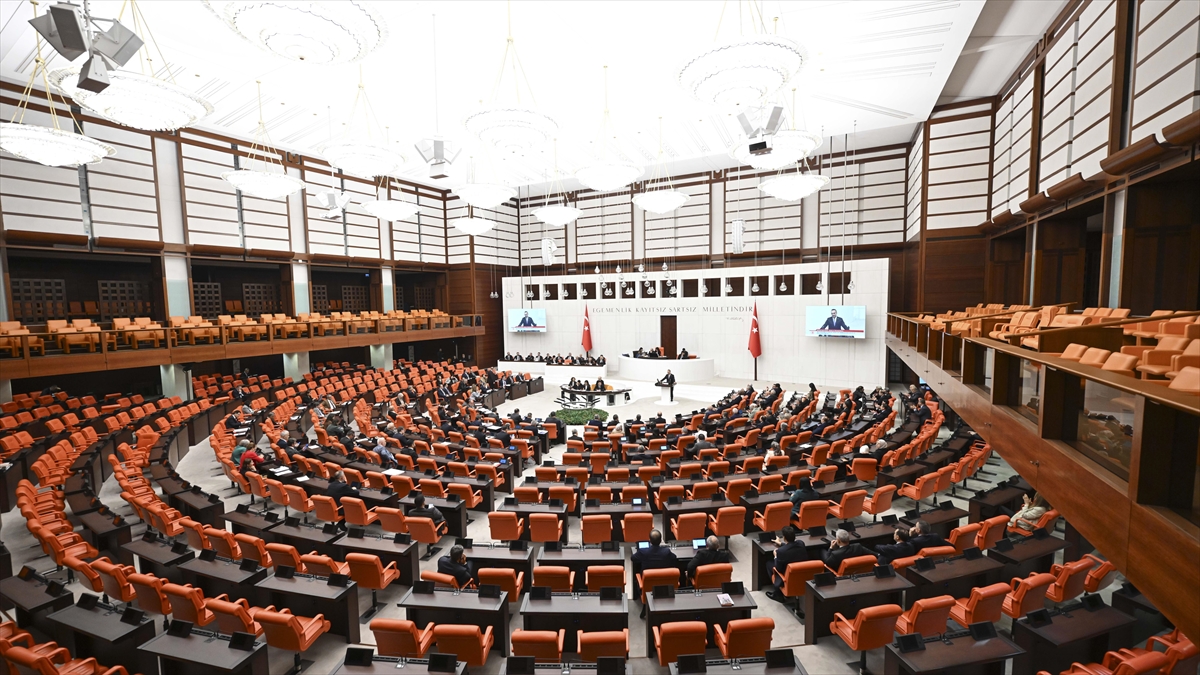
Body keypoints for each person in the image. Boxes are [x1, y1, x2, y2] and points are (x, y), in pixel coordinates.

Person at [631, 529, 678, 618]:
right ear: (660, 540)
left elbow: (633, 558)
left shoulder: (643, 552)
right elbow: (674, 558)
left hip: (647, 587)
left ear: (649, 540)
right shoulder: (666, 552)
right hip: (665, 587)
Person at [766, 526, 808, 601]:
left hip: (787, 575)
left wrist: (775, 556)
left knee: (769, 564)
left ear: (784, 537)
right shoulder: (801, 543)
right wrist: (780, 543)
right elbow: (792, 546)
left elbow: (778, 568)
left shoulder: (781, 551)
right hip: (801, 574)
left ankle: (778, 593)